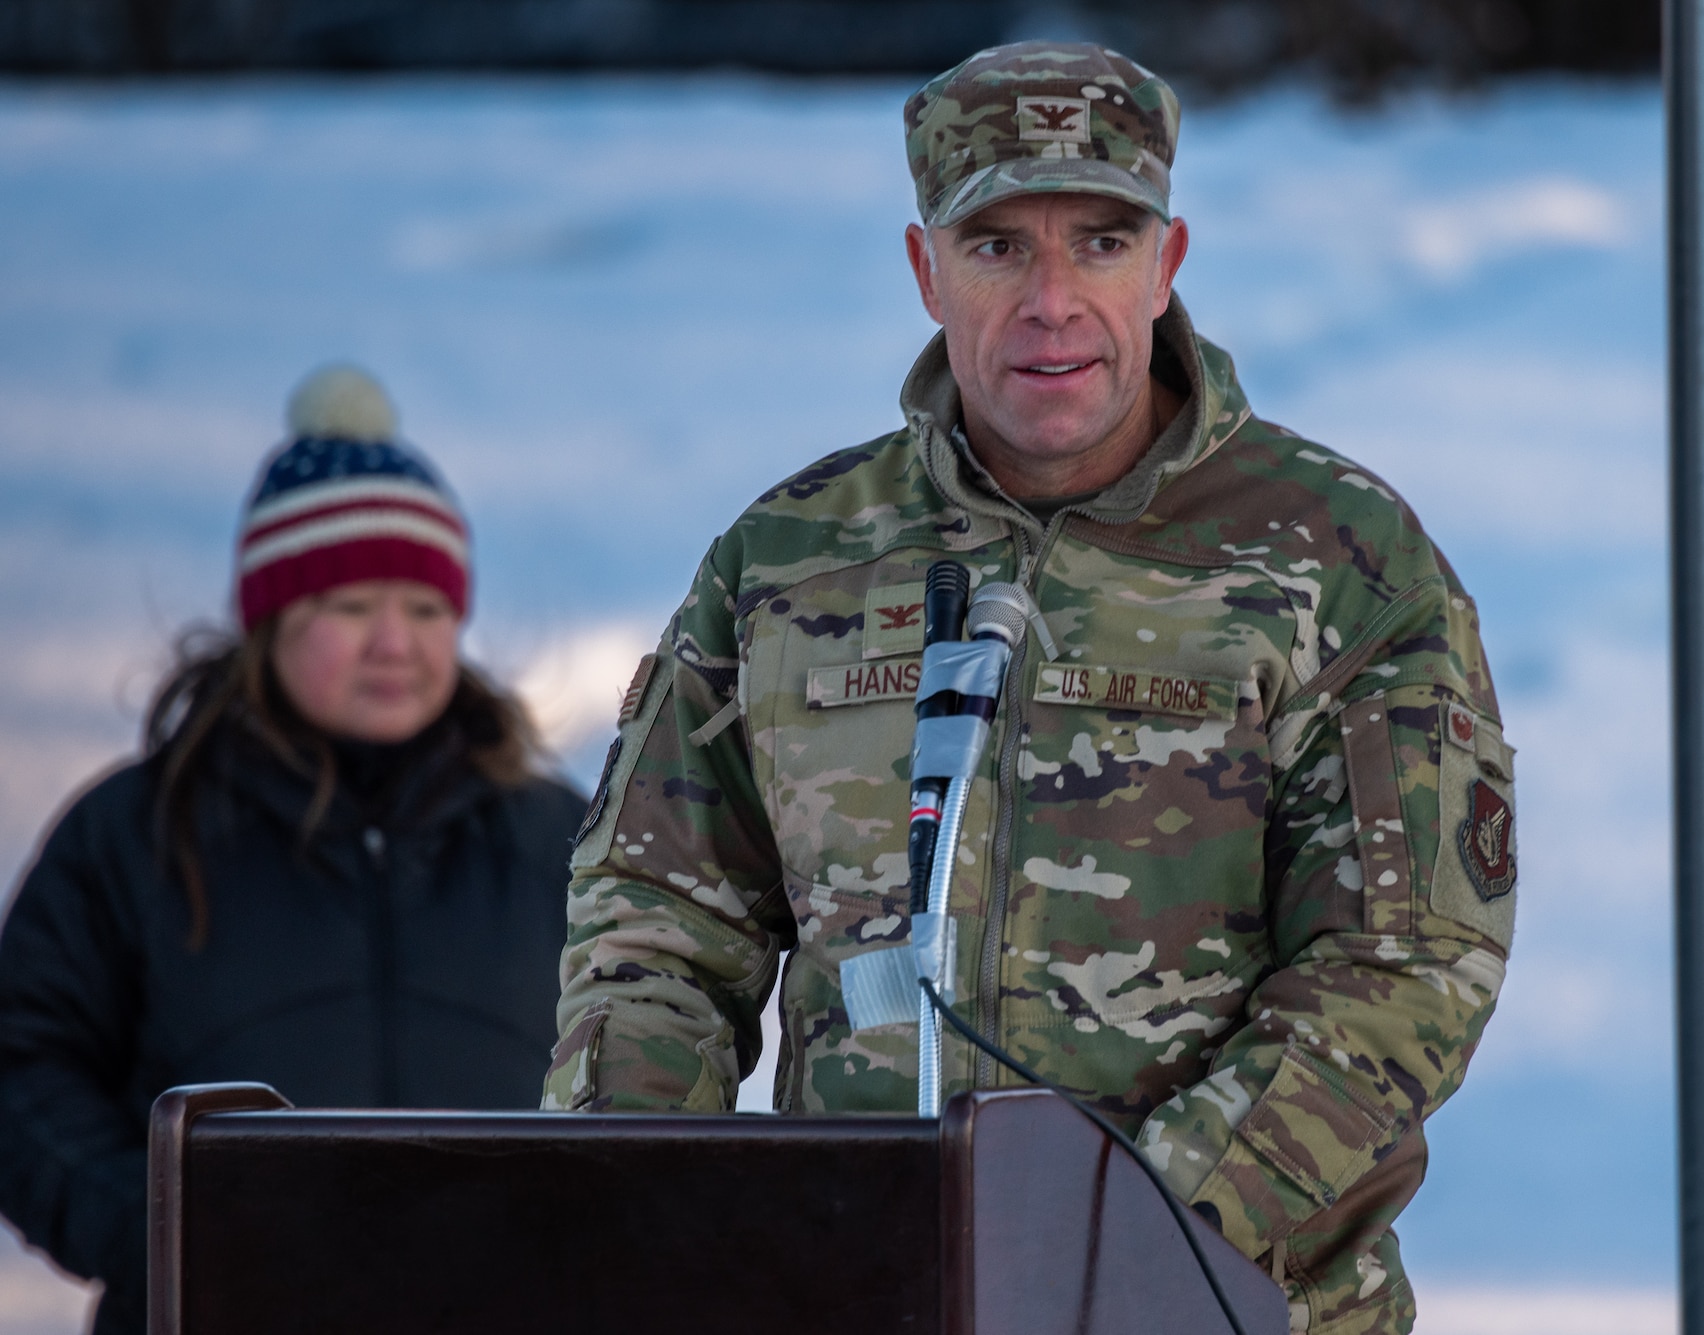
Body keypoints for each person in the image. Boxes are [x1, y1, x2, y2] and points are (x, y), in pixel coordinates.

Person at [545, 43, 1517, 1335]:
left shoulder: (1335, 555)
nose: (1053, 298)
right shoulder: (787, 562)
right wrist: (631, 1219)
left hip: (1227, 1303)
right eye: (998, 245)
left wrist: (1126, 1237)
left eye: (1101, 242)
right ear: (923, 269)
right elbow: (657, 923)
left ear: (1167, 264)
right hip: (861, 1289)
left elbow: (1407, 963)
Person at [0, 365, 585, 1335]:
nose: (394, 643)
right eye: (351, 608)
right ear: (271, 619)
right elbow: (21, 1065)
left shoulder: (554, 838)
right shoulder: (139, 833)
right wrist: (154, 1229)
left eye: (428, 608)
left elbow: (653, 1066)